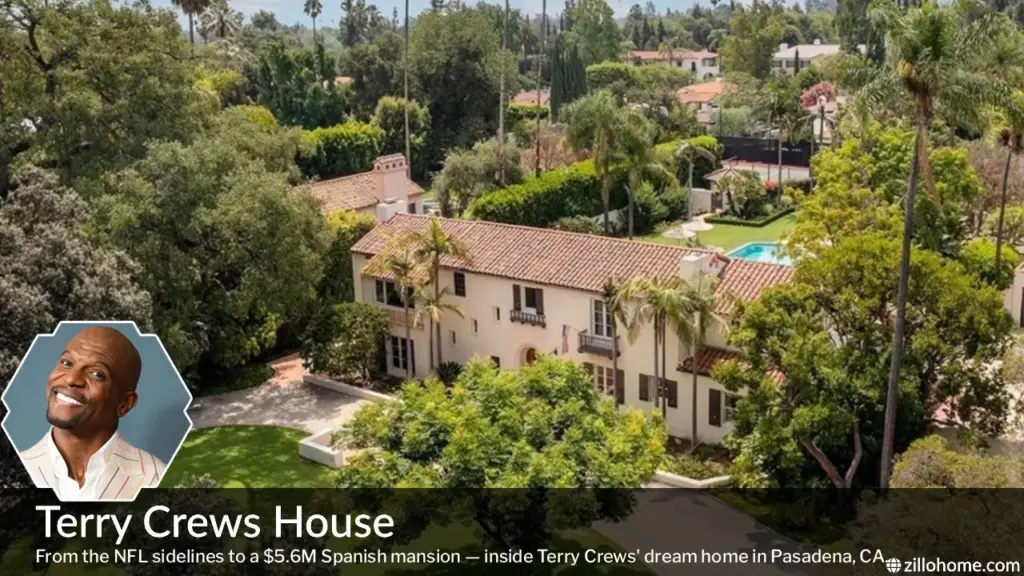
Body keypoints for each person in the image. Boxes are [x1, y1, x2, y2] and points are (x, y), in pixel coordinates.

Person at [19, 326, 165, 500]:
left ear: (125, 404)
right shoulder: (13, 470)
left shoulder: (156, 478)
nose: (71, 378)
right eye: (67, 363)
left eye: (97, 374)